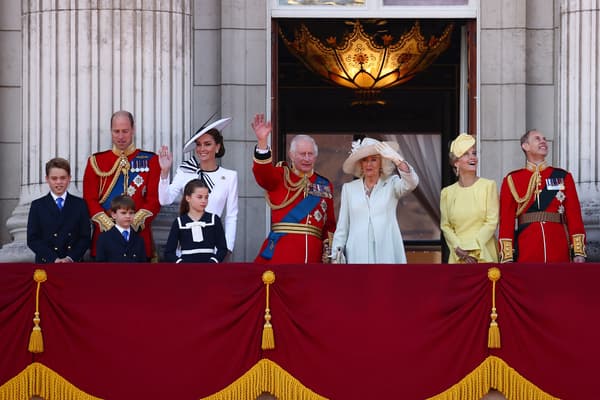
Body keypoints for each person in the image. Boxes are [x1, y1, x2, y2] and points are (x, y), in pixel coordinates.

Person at [251, 113, 336, 264]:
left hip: (314, 256)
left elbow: (329, 225)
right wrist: (262, 141)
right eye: (302, 154)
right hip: (282, 253)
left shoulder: (324, 184)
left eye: (311, 154)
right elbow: (262, 174)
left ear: (316, 157)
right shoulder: (280, 175)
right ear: (291, 155)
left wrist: (328, 251)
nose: (307, 158)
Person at [498, 129, 586, 263]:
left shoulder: (563, 176)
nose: (543, 141)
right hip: (528, 249)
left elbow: (574, 215)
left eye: (544, 139)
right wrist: (507, 256)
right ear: (525, 146)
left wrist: (578, 251)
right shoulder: (512, 179)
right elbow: (506, 220)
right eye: (537, 139)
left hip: (558, 246)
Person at [83, 110, 161, 261]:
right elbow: (89, 199)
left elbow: (154, 200)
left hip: (138, 239)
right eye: (116, 131)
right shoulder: (96, 161)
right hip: (104, 239)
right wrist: (111, 226)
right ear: (111, 131)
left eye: (125, 131)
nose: (120, 136)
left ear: (133, 130)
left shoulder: (151, 160)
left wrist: (132, 223)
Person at [331, 137, 419, 263]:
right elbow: (342, 227)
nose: (369, 164)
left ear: (382, 162)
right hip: (357, 254)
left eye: (374, 160)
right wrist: (336, 255)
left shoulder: (391, 184)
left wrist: (397, 159)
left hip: (386, 252)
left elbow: (412, 182)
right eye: (365, 160)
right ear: (360, 164)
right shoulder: (349, 189)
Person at [158, 117, 238, 253]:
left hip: (213, 246)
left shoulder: (230, 176)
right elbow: (165, 200)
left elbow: (231, 216)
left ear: (217, 147)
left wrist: (227, 249)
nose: (202, 149)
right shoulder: (185, 171)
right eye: (199, 144)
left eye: (207, 144)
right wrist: (164, 173)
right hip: (185, 245)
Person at [440, 133, 499, 263]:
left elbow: (492, 222)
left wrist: (473, 249)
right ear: (456, 162)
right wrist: (458, 248)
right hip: (458, 256)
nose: (473, 157)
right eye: (466, 154)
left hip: (484, 253)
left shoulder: (488, 186)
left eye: (474, 153)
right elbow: (445, 226)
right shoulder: (447, 193)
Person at [27, 157, 91, 263]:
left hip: (73, 264)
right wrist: (53, 258)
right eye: (54, 178)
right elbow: (33, 239)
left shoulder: (80, 204)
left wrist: (70, 258)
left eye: (63, 178)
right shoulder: (37, 206)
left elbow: (85, 237)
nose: (59, 182)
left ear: (69, 178)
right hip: (47, 263)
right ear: (47, 179)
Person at [163, 179, 228, 263]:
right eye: (199, 197)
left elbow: (222, 248)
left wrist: (213, 261)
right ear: (188, 198)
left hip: (210, 270)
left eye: (206, 197)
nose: (204, 201)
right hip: (187, 271)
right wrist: (181, 263)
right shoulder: (179, 222)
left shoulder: (214, 219)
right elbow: (169, 252)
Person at [96, 195, 146, 262]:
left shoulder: (139, 240)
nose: (128, 216)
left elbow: (142, 267)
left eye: (131, 213)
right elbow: (100, 266)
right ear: (114, 215)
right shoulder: (104, 238)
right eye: (123, 213)